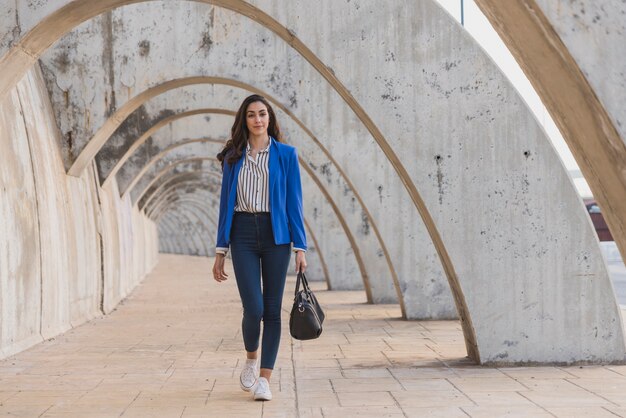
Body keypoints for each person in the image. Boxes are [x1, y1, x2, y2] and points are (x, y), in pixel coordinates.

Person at [212, 94, 307, 401]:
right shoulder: (232, 156)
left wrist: (300, 248)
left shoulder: (286, 155)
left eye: (262, 114)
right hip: (241, 234)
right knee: (252, 308)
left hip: (276, 235)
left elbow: (294, 202)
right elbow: (226, 204)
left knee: (272, 310)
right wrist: (220, 251)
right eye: (251, 115)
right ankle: (252, 357)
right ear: (245, 120)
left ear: (270, 118)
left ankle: (265, 378)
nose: (257, 120)